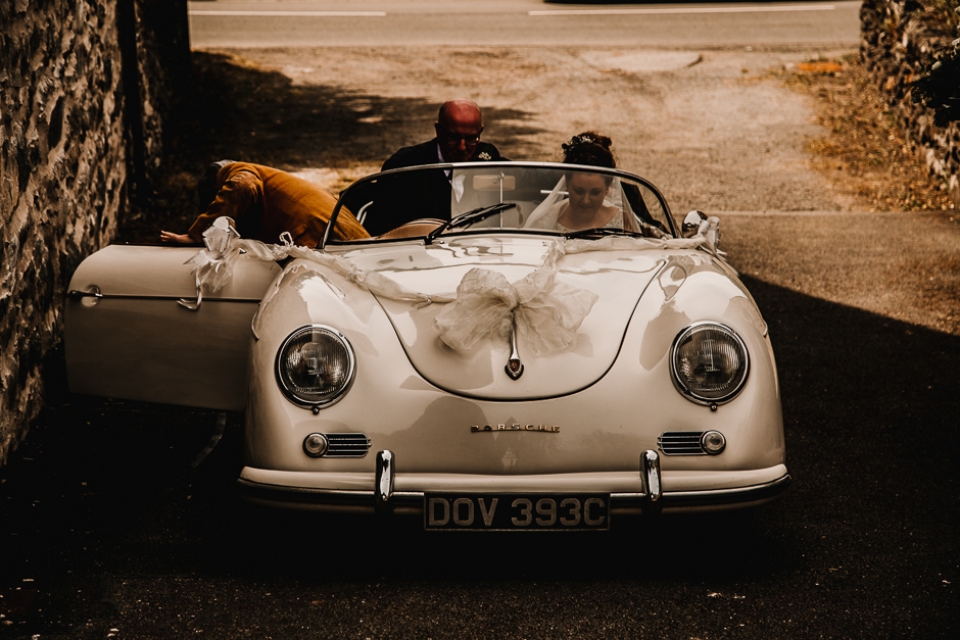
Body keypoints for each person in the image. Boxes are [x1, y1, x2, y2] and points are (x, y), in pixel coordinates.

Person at [359, 99, 507, 236]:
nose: (462, 147)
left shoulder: (488, 159)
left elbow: (524, 180)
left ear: (480, 132)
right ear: (438, 130)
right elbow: (380, 230)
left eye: (471, 139)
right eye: (453, 138)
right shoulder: (405, 166)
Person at [160, 161, 369, 247]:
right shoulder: (270, 179)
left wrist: (197, 235)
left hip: (322, 236)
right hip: (349, 235)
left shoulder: (238, 174)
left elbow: (241, 187)